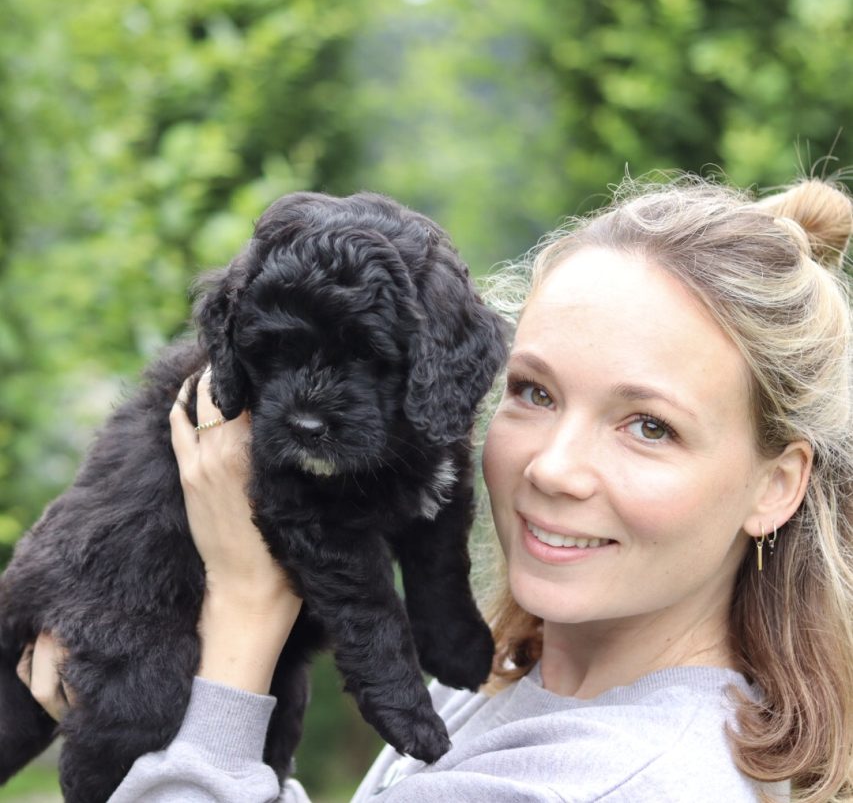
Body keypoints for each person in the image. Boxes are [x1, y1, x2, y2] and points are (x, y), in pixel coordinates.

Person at [17, 174, 853, 802]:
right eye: (534, 392)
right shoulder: (508, 688)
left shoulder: (605, 780)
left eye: (649, 426)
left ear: (774, 487)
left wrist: (240, 615)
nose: (553, 466)